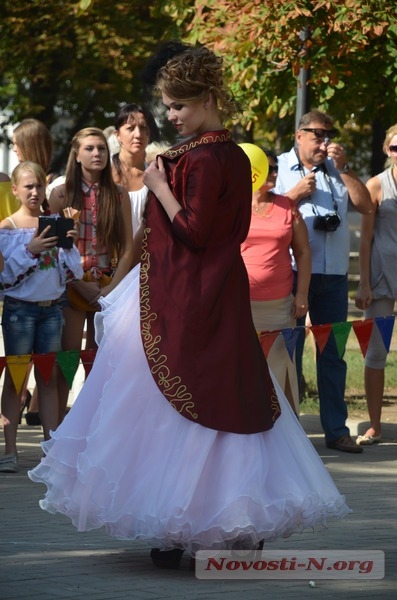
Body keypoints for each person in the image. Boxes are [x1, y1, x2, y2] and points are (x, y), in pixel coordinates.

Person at [29, 44, 349, 569]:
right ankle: (190, 521)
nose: (169, 116)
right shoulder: (222, 154)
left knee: (182, 403)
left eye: (178, 106)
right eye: (168, 107)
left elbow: (195, 232)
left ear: (204, 99)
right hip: (204, 290)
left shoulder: (199, 158)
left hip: (187, 294)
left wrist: (159, 185)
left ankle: (183, 523)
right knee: (206, 400)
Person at [275, 109, 373, 453]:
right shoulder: (280, 168)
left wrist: (343, 169)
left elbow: (366, 206)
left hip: (332, 277)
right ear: (299, 135)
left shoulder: (335, 170)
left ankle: (336, 431)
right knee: (288, 354)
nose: (324, 141)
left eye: (328, 134)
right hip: (291, 273)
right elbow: (262, 211)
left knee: (332, 354)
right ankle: (286, 433)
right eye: (317, 134)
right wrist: (294, 194)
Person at [0, 161, 83, 473]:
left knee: (48, 378)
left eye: (38, 186)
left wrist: (69, 246)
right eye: (29, 186)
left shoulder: (53, 222)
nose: (35, 192)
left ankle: (50, 450)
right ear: (16, 190)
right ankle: (9, 450)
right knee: (16, 379)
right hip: (20, 311)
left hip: (52, 309)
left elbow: (72, 274)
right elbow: (5, 279)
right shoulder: (7, 229)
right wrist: (31, 249)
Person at [48, 127, 134, 423]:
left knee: (101, 365)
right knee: (66, 361)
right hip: (72, 287)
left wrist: (110, 293)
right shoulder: (60, 194)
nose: (96, 154)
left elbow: (128, 248)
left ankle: (96, 430)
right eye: (89, 148)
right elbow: (54, 251)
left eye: (101, 148)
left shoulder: (119, 194)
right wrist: (77, 284)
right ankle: (58, 431)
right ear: (76, 153)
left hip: (108, 287)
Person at [241, 149, 311, 414]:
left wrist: (301, 294)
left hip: (281, 308)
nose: (273, 173)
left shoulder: (287, 206)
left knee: (280, 376)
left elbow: (303, 252)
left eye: (275, 168)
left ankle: (284, 442)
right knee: (244, 375)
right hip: (241, 305)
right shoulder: (230, 206)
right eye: (268, 168)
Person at [354, 124, 397, 445]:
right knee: (376, 352)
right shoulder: (377, 185)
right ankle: (375, 425)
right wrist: (364, 284)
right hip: (382, 279)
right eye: (396, 148)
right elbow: (365, 239)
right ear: (386, 150)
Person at [112, 103, 159, 237]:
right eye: (130, 128)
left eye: (143, 127)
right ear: (118, 135)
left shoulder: (156, 175)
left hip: (146, 254)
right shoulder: (104, 172)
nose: (138, 134)